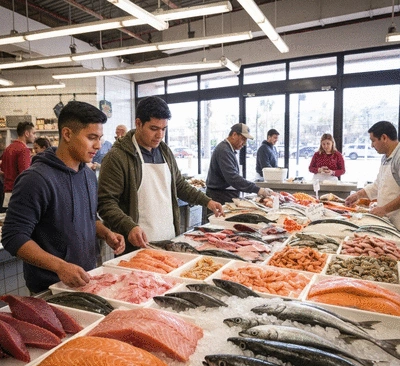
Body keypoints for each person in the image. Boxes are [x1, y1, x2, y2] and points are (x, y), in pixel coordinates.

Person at [1, 101, 125, 294]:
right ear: (67, 134)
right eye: (91, 137)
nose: (98, 146)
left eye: (100, 138)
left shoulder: (88, 176)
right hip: (50, 289)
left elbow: (87, 219)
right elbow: (13, 236)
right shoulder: (36, 179)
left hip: (87, 280)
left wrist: (106, 233)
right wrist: (60, 266)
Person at [97, 96, 224, 254]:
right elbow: (106, 203)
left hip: (169, 239)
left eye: (164, 129)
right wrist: (129, 226)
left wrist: (207, 201)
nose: (160, 135)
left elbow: (179, 184)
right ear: (138, 123)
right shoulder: (117, 157)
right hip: (137, 246)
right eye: (154, 128)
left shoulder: (164, 152)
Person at [345, 121, 400, 229]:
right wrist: (357, 195)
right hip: (389, 221)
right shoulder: (386, 157)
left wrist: (384, 209)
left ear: (384, 138)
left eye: (373, 140)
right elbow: (378, 185)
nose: (371, 145)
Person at [206, 123, 273, 205]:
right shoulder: (224, 150)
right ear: (234, 135)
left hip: (225, 195)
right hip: (219, 198)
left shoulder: (229, 149)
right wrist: (258, 190)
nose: (244, 144)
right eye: (243, 139)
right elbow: (232, 177)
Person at [1, 121, 36, 208]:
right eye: (33, 133)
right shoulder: (24, 150)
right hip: (19, 192)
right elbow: (25, 175)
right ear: (27, 133)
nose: (35, 136)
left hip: (7, 192)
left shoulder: (9, 148)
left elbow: (3, 170)